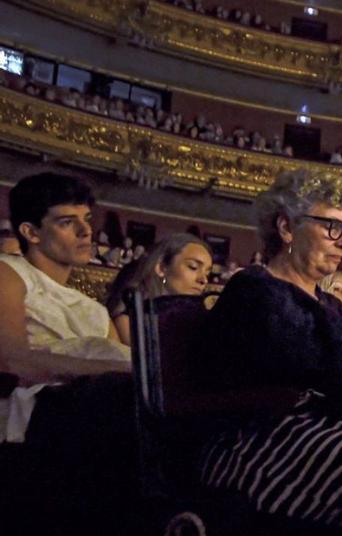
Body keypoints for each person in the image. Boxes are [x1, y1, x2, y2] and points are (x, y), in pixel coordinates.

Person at [196, 169, 342, 536]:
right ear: (287, 226)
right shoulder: (253, 288)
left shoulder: (332, 304)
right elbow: (314, 361)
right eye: (332, 227)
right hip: (258, 441)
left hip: (326, 433)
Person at [0, 172, 132, 492]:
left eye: (86, 219)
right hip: (37, 424)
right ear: (30, 232)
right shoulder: (9, 272)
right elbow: (10, 359)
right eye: (66, 222)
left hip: (91, 417)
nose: (87, 231)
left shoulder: (94, 311)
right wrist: (125, 370)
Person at [104, 232, 213, 345]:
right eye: (193, 267)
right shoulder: (132, 322)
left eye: (207, 274)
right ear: (161, 268)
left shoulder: (198, 323)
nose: (203, 280)